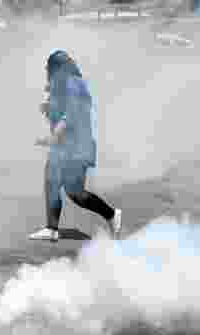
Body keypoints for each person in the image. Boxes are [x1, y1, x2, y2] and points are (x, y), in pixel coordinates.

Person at [30, 50, 122, 242]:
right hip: (69, 146)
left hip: (77, 147)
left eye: (50, 68)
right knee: (69, 189)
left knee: (67, 188)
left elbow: (72, 114)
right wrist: (48, 109)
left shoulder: (73, 83)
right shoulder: (63, 83)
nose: (48, 73)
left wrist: (54, 136)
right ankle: (54, 228)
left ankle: (110, 215)